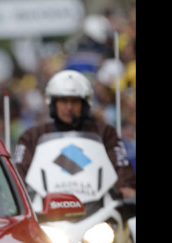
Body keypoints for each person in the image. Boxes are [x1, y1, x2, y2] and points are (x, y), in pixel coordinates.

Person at [13, 69, 136, 199]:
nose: (69, 107)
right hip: (46, 207)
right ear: (53, 104)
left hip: (97, 205)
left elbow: (120, 164)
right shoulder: (32, 136)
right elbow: (20, 171)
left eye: (75, 101)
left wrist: (125, 187)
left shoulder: (105, 133)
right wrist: (21, 194)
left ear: (85, 104)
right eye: (63, 101)